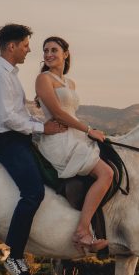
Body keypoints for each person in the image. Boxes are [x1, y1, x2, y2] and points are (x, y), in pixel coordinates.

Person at [0, 23, 66, 275]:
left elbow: (19, 112)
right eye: (26, 45)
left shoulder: (10, 74)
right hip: (6, 140)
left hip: (19, 136)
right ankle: (15, 256)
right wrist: (43, 128)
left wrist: (42, 121)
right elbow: (8, 119)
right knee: (32, 193)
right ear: (11, 46)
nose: (29, 50)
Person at [34, 36, 112, 253]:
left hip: (74, 136)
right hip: (58, 141)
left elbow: (70, 112)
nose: (49, 54)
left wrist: (87, 133)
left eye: (53, 50)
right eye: (46, 50)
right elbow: (58, 113)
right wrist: (88, 130)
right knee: (106, 174)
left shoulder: (71, 83)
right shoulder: (43, 79)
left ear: (65, 54)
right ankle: (82, 231)